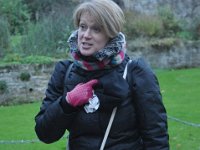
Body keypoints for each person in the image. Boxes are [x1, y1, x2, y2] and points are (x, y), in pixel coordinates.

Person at [34, 0, 169, 149]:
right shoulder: (64, 72)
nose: (85, 35)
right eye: (82, 27)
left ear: (110, 34)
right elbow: (44, 134)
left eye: (96, 29)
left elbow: (156, 138)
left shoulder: (136, 73)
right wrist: (67, 103)